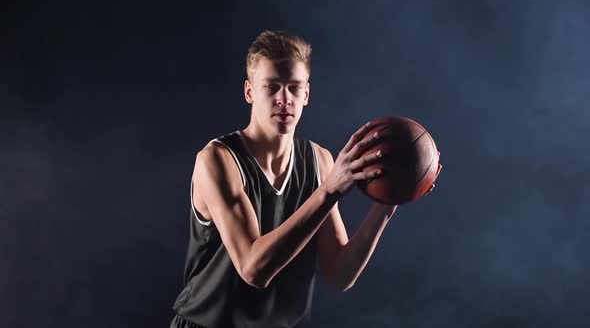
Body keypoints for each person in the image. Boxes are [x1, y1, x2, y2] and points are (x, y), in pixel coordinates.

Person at [170, 30, 441, 328]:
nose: (284, 99)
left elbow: (339, 274)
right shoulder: (218, 160)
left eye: (294, 88)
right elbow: (253, 269)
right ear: (249, 92)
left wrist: (388, 202)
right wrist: (328, 192)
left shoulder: (319, 161)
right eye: (271, 87)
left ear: (306, 94)